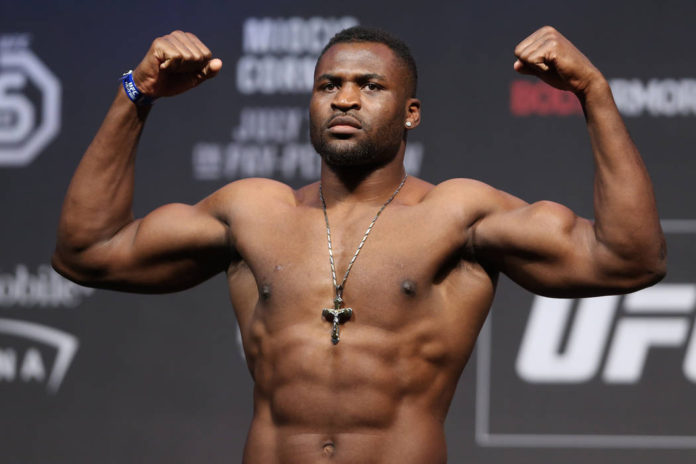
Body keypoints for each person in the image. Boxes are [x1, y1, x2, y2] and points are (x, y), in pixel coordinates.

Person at [53, 25, 666, 463]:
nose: (344, 98)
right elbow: (89, 250)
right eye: (329, 85)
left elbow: (628, 258)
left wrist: (594, 94)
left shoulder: (457, 214)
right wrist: (137, 94)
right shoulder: (253, 212)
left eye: (370, 86)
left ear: (411, 113)